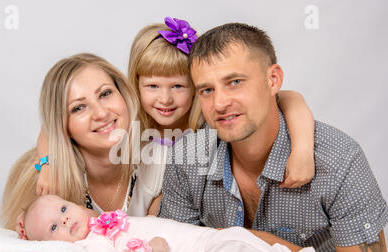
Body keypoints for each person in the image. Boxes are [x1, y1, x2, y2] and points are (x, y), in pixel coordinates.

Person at [158, 22, 388, 252]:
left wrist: (257, 244)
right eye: (207, 90)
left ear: (273, 79)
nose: (219, 103)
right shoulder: (187, 159)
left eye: (235, 82)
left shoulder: (338, 160)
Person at [128, 17, 316, 189]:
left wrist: (302, 150)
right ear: (136, 85)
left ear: (196, 88)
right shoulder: (131, 132)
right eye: (152, 86)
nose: (165, 99)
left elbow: (289, 99)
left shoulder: (214, 119)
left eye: (178, 86)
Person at [0, 53, 158, 229]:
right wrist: (48, 163)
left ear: (123, 95)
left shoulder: (158, 163)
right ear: (62, 126)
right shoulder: (44, 182)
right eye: (79, 108)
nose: (101, 113)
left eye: (105, 93)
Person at [16, 194, 319, 252]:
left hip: (195, 240)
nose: (65, 219)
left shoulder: (100, 223)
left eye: (63, 209)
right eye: (54, 227)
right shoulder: (90, 243)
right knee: (237, 240)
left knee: (237, 243)